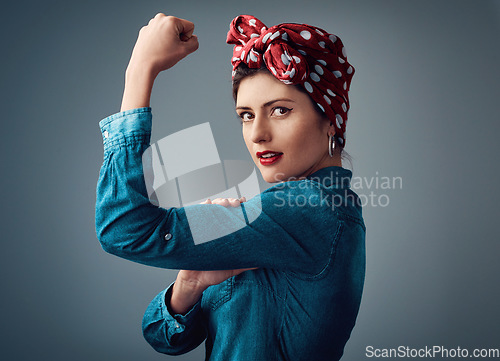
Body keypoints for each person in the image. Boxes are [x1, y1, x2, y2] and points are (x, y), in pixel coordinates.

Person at [95, 13, 366, 361]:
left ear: (330, 120)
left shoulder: (310, 209)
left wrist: (139, 72)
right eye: (247, 115)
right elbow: (163, 336)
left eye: (280, 110)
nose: (257, 134)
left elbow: (123, 229)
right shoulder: (278, 215)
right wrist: (190, 284)